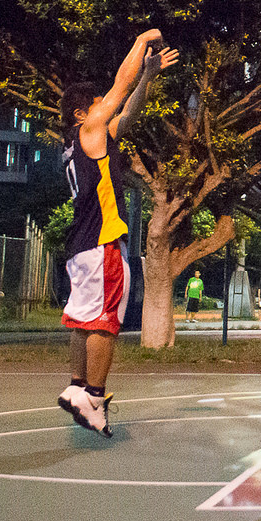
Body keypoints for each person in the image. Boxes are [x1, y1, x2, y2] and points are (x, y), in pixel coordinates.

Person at [56, 29, 177, 437]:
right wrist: (142, 41)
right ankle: (94, 396)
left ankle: (76, 388)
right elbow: (118, 91)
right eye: (96, 108)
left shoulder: (80, 144)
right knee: (104, 323)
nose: (103, 112)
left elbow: (129, 112)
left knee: (83, 320)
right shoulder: (90, 129)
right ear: (81, 115)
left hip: (80, 245)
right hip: (103, 241)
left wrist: (148, 76)